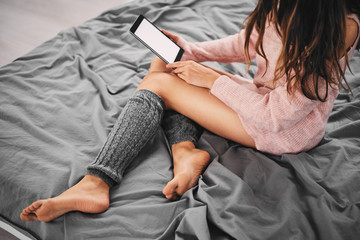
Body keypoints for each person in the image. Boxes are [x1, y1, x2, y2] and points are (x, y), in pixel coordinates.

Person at [20, 0, 360, 222]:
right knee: (170, 66)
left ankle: (97, 181)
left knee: (159, 83)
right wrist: (194, 52)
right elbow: (252, 40)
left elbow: (277, 116)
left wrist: (211, 80)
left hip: (280, 130)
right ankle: (185, 153)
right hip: (261, 101)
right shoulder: (285, 6)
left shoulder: (336, 30)